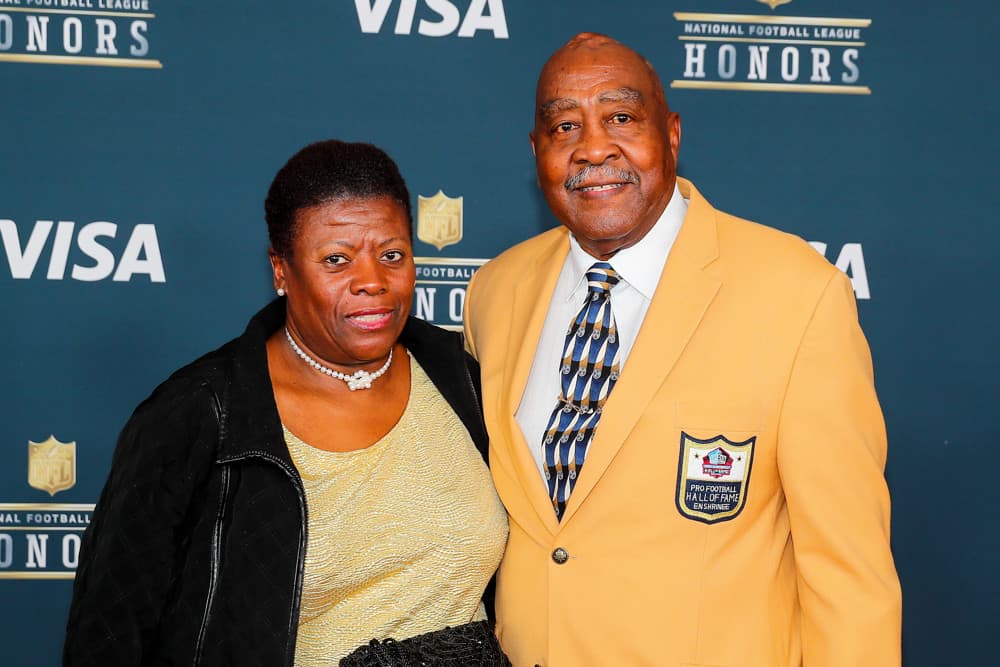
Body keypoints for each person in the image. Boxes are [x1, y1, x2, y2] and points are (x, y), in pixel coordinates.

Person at [463, 33, 902, 666]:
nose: (593, 147)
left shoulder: (798, 294)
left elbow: (849, 575)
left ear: (671, 134)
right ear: (537, 152)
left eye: (620, 117)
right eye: (565, 126)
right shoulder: (494, 291)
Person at [63, 140, 509, 666]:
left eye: (392, 255)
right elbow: (111, 635)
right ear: (281, 269)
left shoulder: (465, 378)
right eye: (336, 260)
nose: (372, 282)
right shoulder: (196, 414)